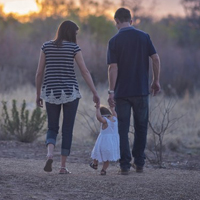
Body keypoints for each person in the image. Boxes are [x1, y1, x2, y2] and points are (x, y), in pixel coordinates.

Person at [35, 20, 100, 174]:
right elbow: (84, 71)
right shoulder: (74, 48)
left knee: (52, 127)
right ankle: (63, 167)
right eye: (75, 33)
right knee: (67, 129)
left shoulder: (46, 46)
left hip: (50, 92)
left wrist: (38, 94)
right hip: (70, 93)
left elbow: (39, 73)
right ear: (71, 33)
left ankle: (50, 154)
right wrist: (94, 92)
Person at [107, 8, 161, 175]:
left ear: (116, 21)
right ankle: (139, 163)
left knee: (122, 128)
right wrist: (155, 80)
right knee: (141, 127)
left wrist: (111, 91)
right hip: (141, 91)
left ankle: (124, 165)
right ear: (131, 20)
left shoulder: (114, 41)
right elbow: (156, 58)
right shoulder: (144, 37)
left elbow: (112, 68)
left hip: (122, 93)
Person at [90, 105, 120, 175]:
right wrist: (112, 108)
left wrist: (97, 109)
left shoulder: (105, 121)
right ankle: (103, 170)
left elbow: (98, 117)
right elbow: (114, 113)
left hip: (104, 142)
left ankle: (95, 164)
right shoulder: (115, 119)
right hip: (112, 143)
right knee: (107, 158)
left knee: (96, 152)